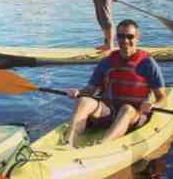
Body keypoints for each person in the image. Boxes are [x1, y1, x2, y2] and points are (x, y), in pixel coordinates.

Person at [62, 19, 166, 148]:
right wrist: (78, 92)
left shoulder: (148, 64)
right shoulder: (107, 62)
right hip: (109, 112)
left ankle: (102, 146)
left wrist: (153, 104)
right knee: (84, 100)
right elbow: (90, 90)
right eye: (121, 36)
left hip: (133, 115)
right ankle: (68, 142)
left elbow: (161, 97)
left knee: (126, 108)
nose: (125, 40)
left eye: (130, 36)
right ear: (117, 38)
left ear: (138, 38)